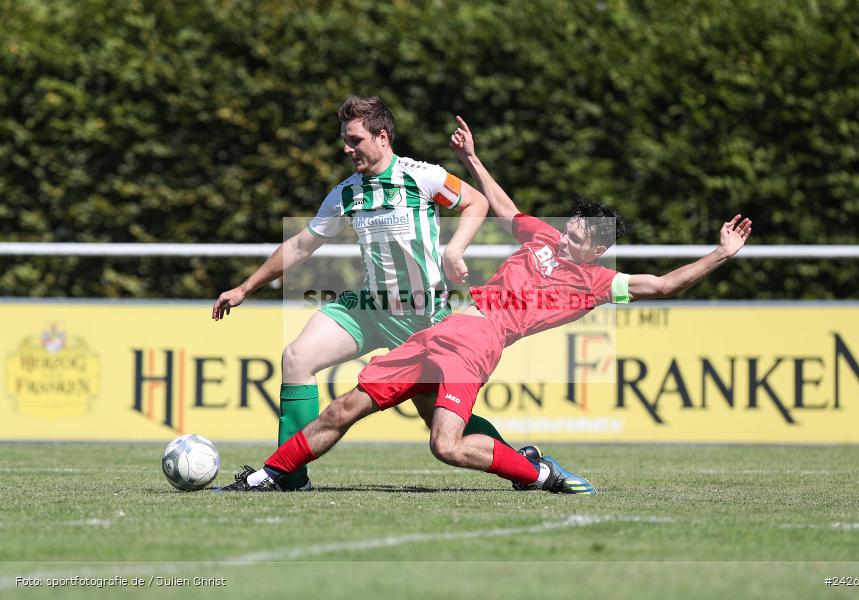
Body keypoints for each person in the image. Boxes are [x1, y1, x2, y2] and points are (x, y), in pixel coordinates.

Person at [212, 116, 752, 494]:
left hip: (474, 343)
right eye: (572, 225)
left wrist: (719, 255)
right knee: (345, 406)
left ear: (599, 246)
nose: (569, 234)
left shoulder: (594, 281)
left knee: (445, 445)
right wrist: (472, 158)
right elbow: (503, 206)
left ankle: (540, 475)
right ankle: (273, 474)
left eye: (583, 232)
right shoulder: (543, 238)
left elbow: (663, 285)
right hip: (436, 332)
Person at [212, 97, 514, 491]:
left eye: (354, 140)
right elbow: (302, 245)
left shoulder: (422, 177)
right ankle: (288, 474)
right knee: (297, 357)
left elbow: (476, 201)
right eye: (345, 140)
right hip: (369, 308)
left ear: (382, 136)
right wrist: (245, 287)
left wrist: (455, 249)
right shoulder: (346, 193)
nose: (346, 148)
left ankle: (520, 462)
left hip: (423, 317)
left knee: (437, 417)